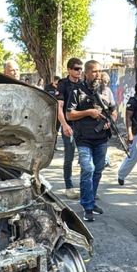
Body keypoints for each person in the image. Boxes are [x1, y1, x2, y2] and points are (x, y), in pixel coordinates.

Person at [66, 60, 111, 222]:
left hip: (101, 138)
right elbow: (69, 115)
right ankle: (87, 206)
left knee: (98, 171)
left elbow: (113, 111)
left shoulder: (105, 90)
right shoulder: (76, 91)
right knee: (88, 169)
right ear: (86, 73)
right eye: (94, 71)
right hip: (83, 138)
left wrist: (109, 120)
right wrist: (88, 112)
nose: (98, 74)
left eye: (99, 71)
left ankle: (90, 200)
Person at [56, 59, 84, 200]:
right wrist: (64, 125)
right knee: (69, 157)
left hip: (83, 126)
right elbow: (59, 107)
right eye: (76, 68)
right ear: (69, 69)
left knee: (85, 157)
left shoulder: (83, 84)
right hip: (69, 126)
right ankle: (69, 187)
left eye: (80, 69)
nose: (79, 71)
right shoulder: (63, 84)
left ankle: (86, 188)